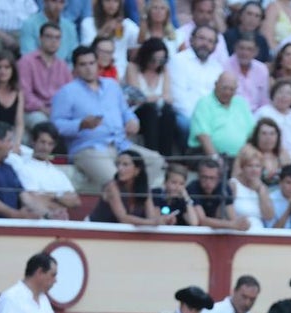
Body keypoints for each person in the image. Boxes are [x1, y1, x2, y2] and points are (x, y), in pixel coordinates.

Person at [53, 45, 165, 190]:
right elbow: (56, 125)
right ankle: (125, 204)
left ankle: (138, 203)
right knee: (117, 180)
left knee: (156, 161)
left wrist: (133, 121)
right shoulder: (67, 92)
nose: (88, 68)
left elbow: (126, 111)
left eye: (92, 63)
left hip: (120, 145)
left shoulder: (112, 86)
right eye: (83, 64)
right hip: (89, 149)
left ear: (97, 65)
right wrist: (81, 124)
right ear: (75, 69)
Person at [7, 121, 82, 220]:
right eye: (42, 142)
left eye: (50, 144)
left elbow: (75, 201)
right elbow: (33, 199)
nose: (46, 148)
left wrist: (53, 196)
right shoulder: (23, 166)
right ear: (33, 141)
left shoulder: (57, 173)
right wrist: (60, 201)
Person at [0, 252, 69, 313]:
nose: (55, 280)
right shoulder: (10, 298)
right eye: (52, 275)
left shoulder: (44, 300)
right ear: (39, 272)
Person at [88, 148, 176, 225]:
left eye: (125, 165)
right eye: (118, 164)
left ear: (137, 170)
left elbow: (151, 217)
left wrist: (165, 220)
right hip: (94, 230)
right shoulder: (112, 187)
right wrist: (153, 223)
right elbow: (123, 218)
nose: (120, 168)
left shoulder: (144, 189)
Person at [168, 22, 222, 140]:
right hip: (185, 115)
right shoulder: (179, 61)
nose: (205, 44)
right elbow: (178, 99)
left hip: (210, 118)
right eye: (201, 38)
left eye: (210, 41)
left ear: (214, 46)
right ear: (191, 40)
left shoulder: (217, 68)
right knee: (187, 125)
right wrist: (200, 121)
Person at [188, 70, 257, 160]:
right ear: (216, 84)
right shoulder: (204, 103)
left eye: (231, 89)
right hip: (208, 156)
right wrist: (216, 160)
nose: (228, 92)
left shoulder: (241, 103)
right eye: (224, 88)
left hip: (239, 159)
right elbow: (203, 137)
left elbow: (253, 132)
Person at [19, 22, 74, 131]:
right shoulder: (26, 61)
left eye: (57, 38)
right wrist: (43, 108)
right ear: (40, 38)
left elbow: (70, 93)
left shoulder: (62, 65)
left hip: (57, 111)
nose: (53, 41)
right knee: (43, 123)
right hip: (33, 111)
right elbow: (25, 94)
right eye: (49, 37)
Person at [255, 80, 291, 173]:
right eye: (280, 92)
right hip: (274, 163)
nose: (284, 96)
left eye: (288, 93)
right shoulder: (263, 112)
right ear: (273, 94)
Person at [79, 0, 139, 79]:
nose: (111, 4)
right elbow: (86, 50)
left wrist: (143, 16)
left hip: (121, 73)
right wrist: (105, 30)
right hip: (95, 74)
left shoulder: (127, 24)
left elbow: (141, 42)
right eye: (107, 1)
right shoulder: (88, 23)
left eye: (115, 1)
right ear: (100, 3)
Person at [187, 156, 244, 229]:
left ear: (219, 178)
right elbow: (202, 220)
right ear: (198, 176)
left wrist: (239, 224)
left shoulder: (224, 188)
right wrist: (232, 225)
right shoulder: (192, 187)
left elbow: (232, 216)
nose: (208, 182)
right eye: (204, 177)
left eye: (212, 178)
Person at [227, 144, 274, 229]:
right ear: (242, 167)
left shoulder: (263, 188)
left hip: (259, 233)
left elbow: (268, 216)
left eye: (257, 166)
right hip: (238, 233)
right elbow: (226, 214)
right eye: (250, 166)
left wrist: (261, 191)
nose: (254, 170)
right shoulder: (233, 184)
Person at [224, 32, 269, 112]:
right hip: (231, 112)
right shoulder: (225, 66)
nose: (245, 53)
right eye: (241, 48)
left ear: (256, 52)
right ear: (235, 48)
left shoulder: (262, 69)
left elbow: (264, 100)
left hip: (256, 114)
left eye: (249, 49)